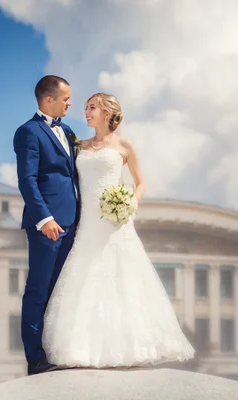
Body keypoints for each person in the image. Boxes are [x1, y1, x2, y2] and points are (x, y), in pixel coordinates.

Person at [42, 92, 195, 368]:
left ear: (108, 112)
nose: (86, 112)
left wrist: (128, 205)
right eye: (86, 107)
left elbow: (141, 183)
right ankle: (83, 349)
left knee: (124, 280)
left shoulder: (125, 145)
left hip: (116, 223)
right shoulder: (79, 145)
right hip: (88, 223)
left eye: (92, 108)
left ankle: (128, 348)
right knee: (86, 277)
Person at [13, 75, 79, 375]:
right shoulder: (28, 132)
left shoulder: (68, 130)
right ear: (48, 99)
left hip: (74, 222)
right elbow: (27, 180)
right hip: (47, 224)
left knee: (60, 289)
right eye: (65, 98)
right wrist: (44, 219)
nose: (70, 102)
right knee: (38, 289)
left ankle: (56, 350)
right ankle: (36, 359)